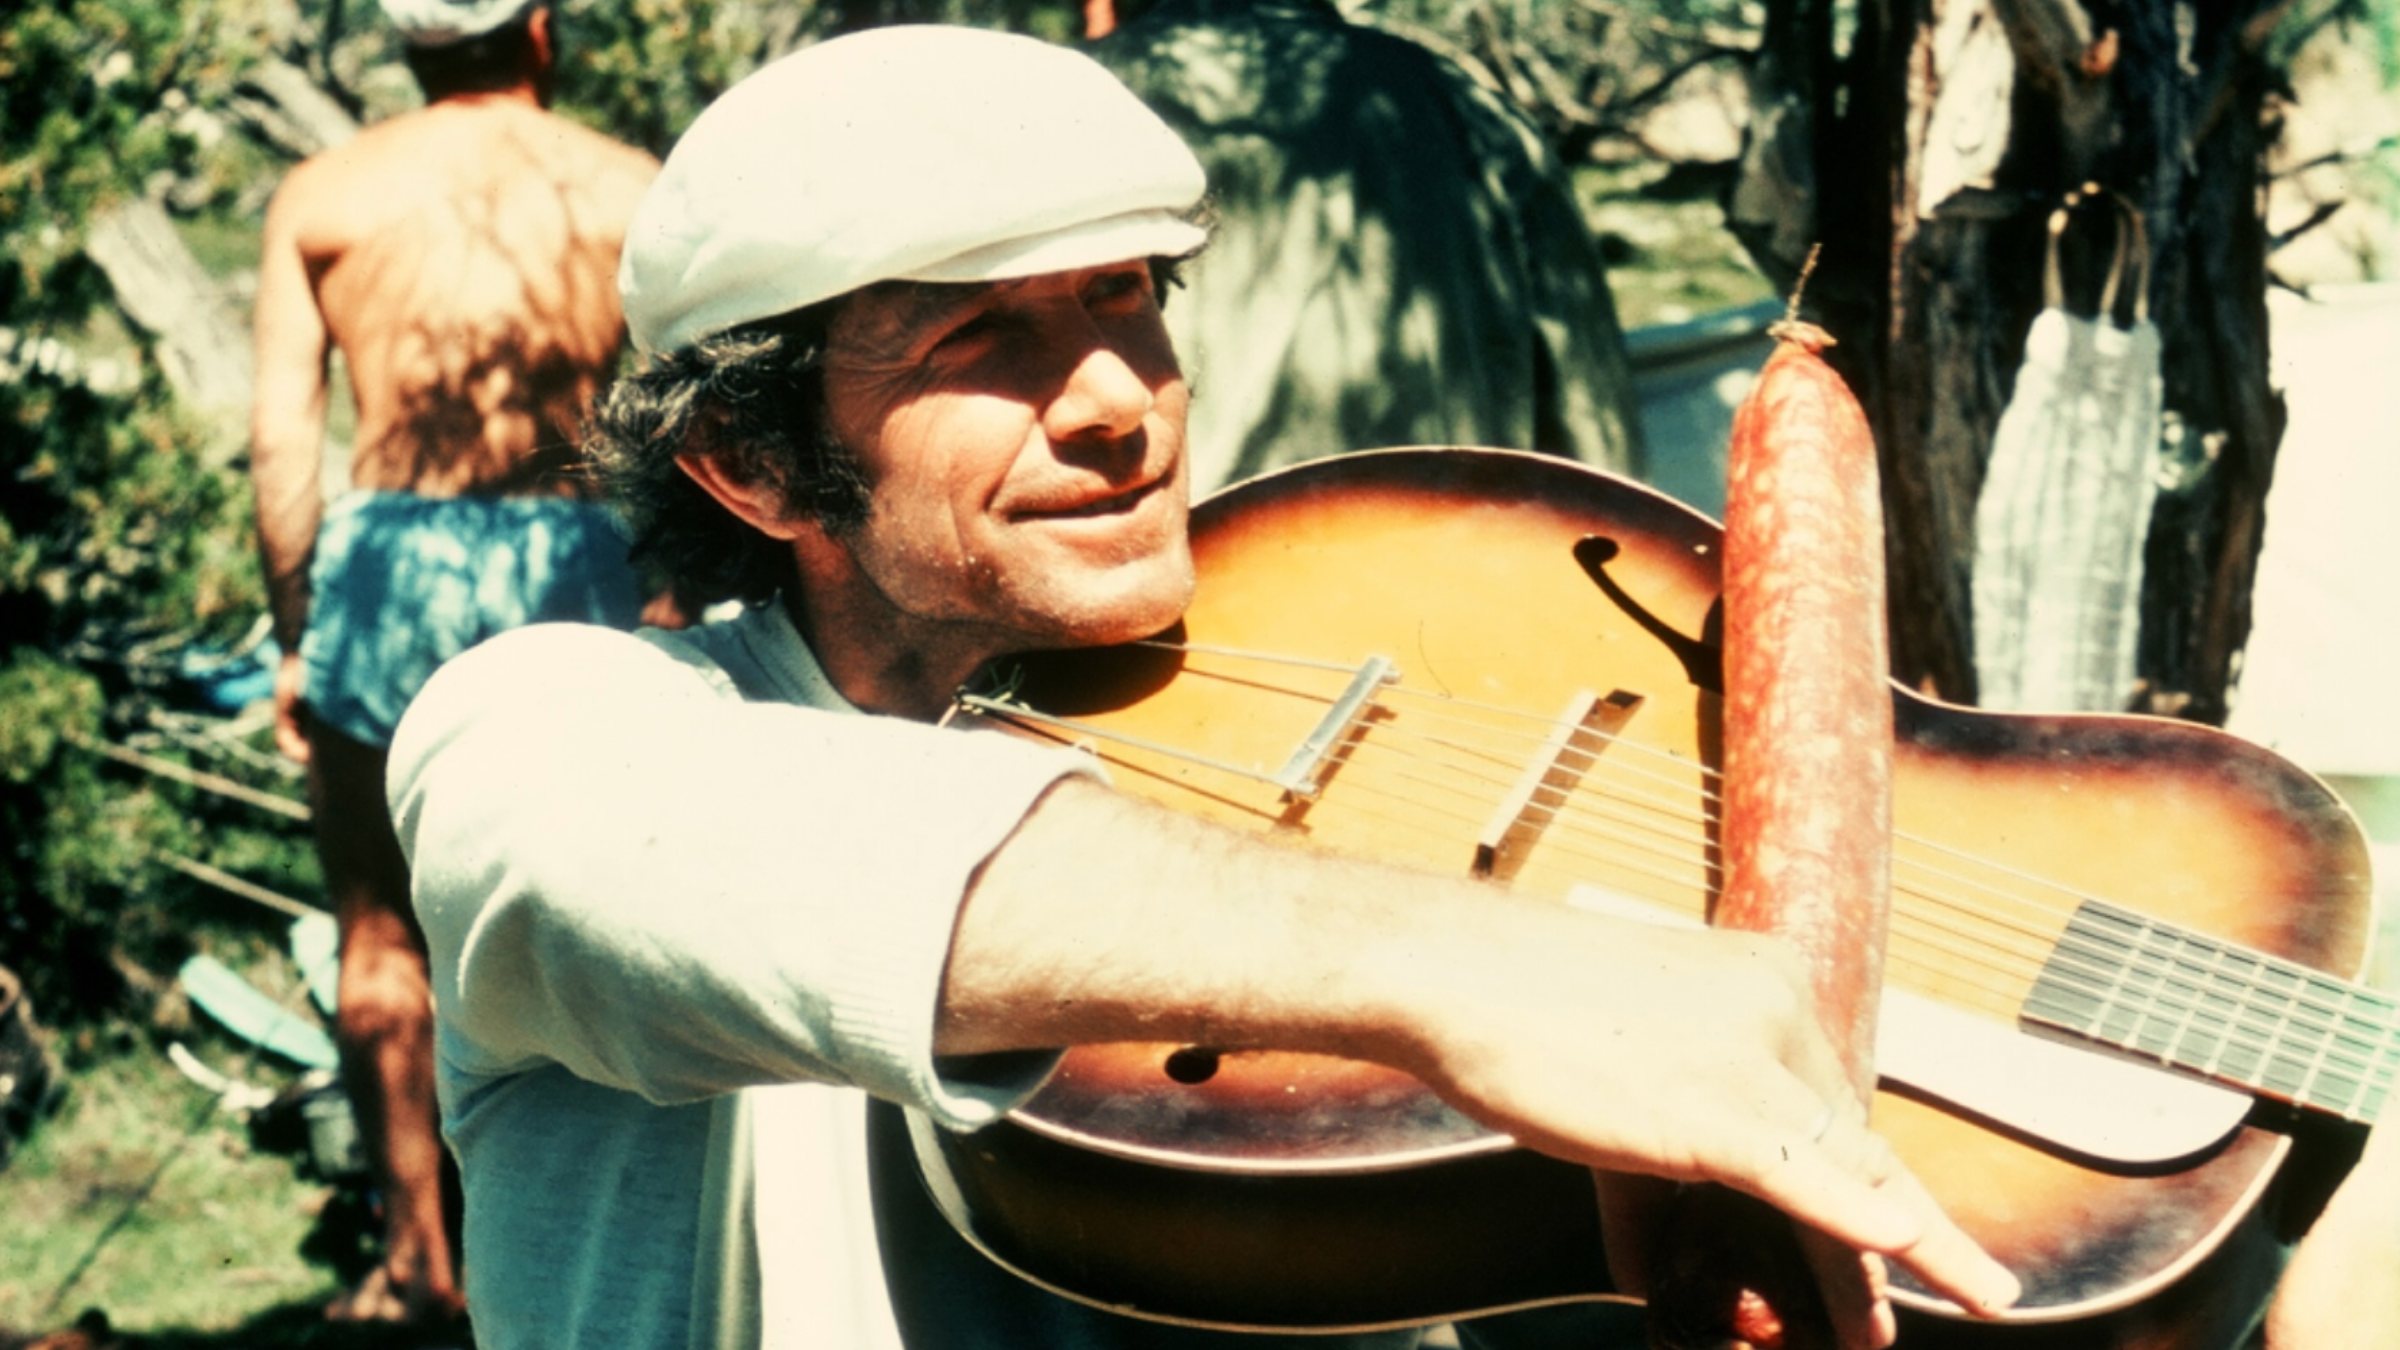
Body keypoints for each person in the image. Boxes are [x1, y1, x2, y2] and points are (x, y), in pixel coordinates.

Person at [386, 26, 2020, 1350]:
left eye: (1128, 298)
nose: (1120, 399)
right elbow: (715, 862)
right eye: (974, 341)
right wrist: (1466, 965)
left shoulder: (1347, 725)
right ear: (751, 462)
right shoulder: (551, 728)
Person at [246, 0, 657, 1326]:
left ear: (411, 43)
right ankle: (589, 1243)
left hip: (387, 556)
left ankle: (420, 1260)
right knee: (590, 925)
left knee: (379, 934)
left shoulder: (327, 192)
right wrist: (670, 595)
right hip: (568, 553)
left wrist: (300, 633)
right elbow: (698, 421)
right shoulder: (627, 188)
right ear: (537, 28)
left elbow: (278, 447)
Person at [1087, 0, 1645, 493]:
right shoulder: (1461, 102)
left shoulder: (1084, 97)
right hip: (1445, 567)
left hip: (1192, 575)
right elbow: (1588, 409)